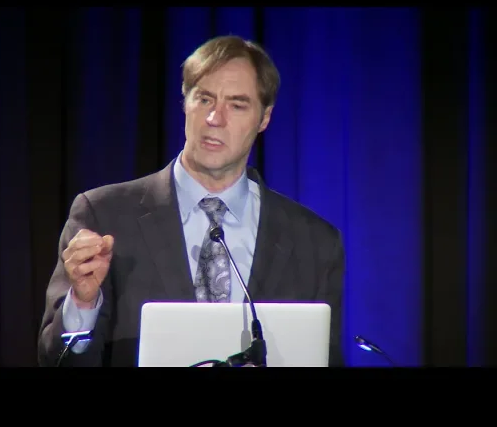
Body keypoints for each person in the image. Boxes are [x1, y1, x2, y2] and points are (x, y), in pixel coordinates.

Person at [37, 35, 346, 367]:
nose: (215, 118)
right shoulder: (105, 216)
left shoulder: (315, 243)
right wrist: (83, 304)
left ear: (264, 118)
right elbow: (56, 361)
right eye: (204, 99)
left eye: (237, 105)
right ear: (185, 102)